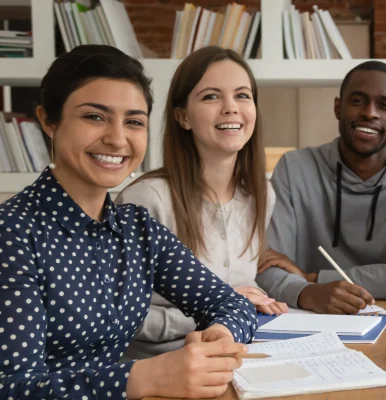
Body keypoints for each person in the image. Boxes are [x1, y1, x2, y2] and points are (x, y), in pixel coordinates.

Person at [0, 45, 257, 400]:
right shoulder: (12, 233)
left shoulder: (137, 228)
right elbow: (12, 388)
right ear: (48, 120)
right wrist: (140, 378)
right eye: (95, 117)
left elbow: (232, 303)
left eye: (134, 122)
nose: (118, 139)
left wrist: (222, 334)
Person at [115, 46, 287, 360]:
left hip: (236, 357)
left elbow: (246, 285)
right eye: (211, 96)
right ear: (183, 117)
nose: (231, 108)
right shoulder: (145, 201)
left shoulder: (262, 193)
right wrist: (225, 308)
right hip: (157, 368)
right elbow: (115, 318)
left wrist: (252, 302)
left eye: (242, 95)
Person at [256, 61, 386, 314]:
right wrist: (307, 292)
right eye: (358, 101)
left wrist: (314, 278)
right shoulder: (294, 168)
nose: (369, 113)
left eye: (385, 105)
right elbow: (267, 266)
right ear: (338, 107)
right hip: (308, 316)